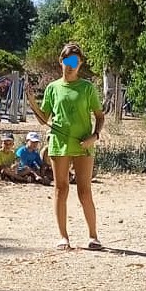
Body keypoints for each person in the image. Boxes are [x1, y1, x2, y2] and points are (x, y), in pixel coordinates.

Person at [25, 42, 105, 250]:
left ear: (80, 64)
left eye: (75, 62)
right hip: (59, 144)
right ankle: (63, 237)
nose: (70, 66)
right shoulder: (53, 88)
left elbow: (99, 116)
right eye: (67, 61)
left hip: (83, 145)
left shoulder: (87, 88)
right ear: (61, 61)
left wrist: (94, 136)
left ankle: (93, 236)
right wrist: (32, 102)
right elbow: (44, 119)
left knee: (84, 191)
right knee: (61, 189)